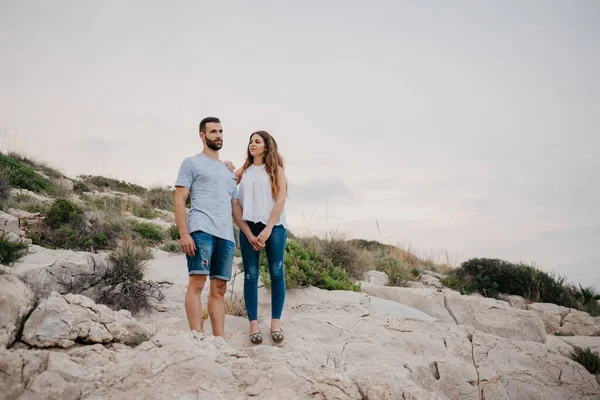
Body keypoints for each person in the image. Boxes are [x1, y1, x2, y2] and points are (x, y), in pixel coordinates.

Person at [174, 117, 257, 337]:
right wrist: (184, 233)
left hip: (226, 236)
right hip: (201, 229)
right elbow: (179, 199)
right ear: (202, 136)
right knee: (198, 282)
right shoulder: (191, 163)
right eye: (213, 132)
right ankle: (196, 336)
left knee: (219, 289)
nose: (218, 135)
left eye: (220, 131)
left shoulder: (228, 173)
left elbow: (235, 208)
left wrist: (248, 234)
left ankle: (219, 340)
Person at [234, 130, 288, 346]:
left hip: (273, 227)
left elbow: (281, 199)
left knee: (276, 273)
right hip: (249, 225)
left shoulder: (276, 170)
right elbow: (229, 184)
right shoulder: (244, 170)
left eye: (257, 141)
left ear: (267, 145)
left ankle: (275, 323)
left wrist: (267, 229)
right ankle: (253, 324)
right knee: (250, 275)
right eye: (250, 141)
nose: (252, 144)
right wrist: (249, 232)